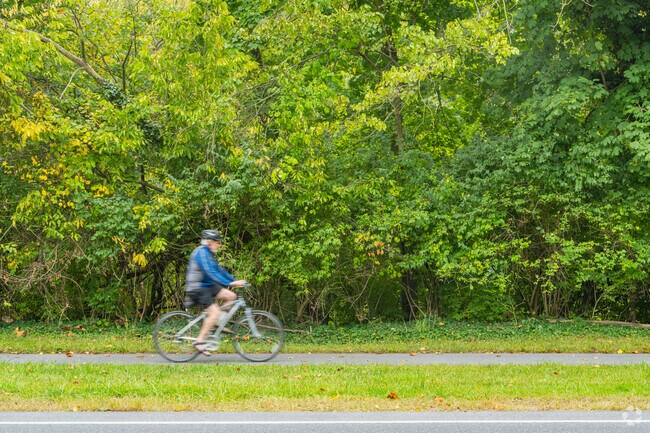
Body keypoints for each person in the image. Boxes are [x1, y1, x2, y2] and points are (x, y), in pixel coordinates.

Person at [185, 229, 247, 355]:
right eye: (217, 242)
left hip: (207, 285)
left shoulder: (209, 254)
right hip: (198, 287)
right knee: (215, 313)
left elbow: (220, 271)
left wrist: (234, 280)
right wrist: (229, 283)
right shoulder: (201, 253)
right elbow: (210, 272)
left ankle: (217, 324)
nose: (219, 245)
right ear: (209, 242)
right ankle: (200, 341)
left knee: (231, 296)